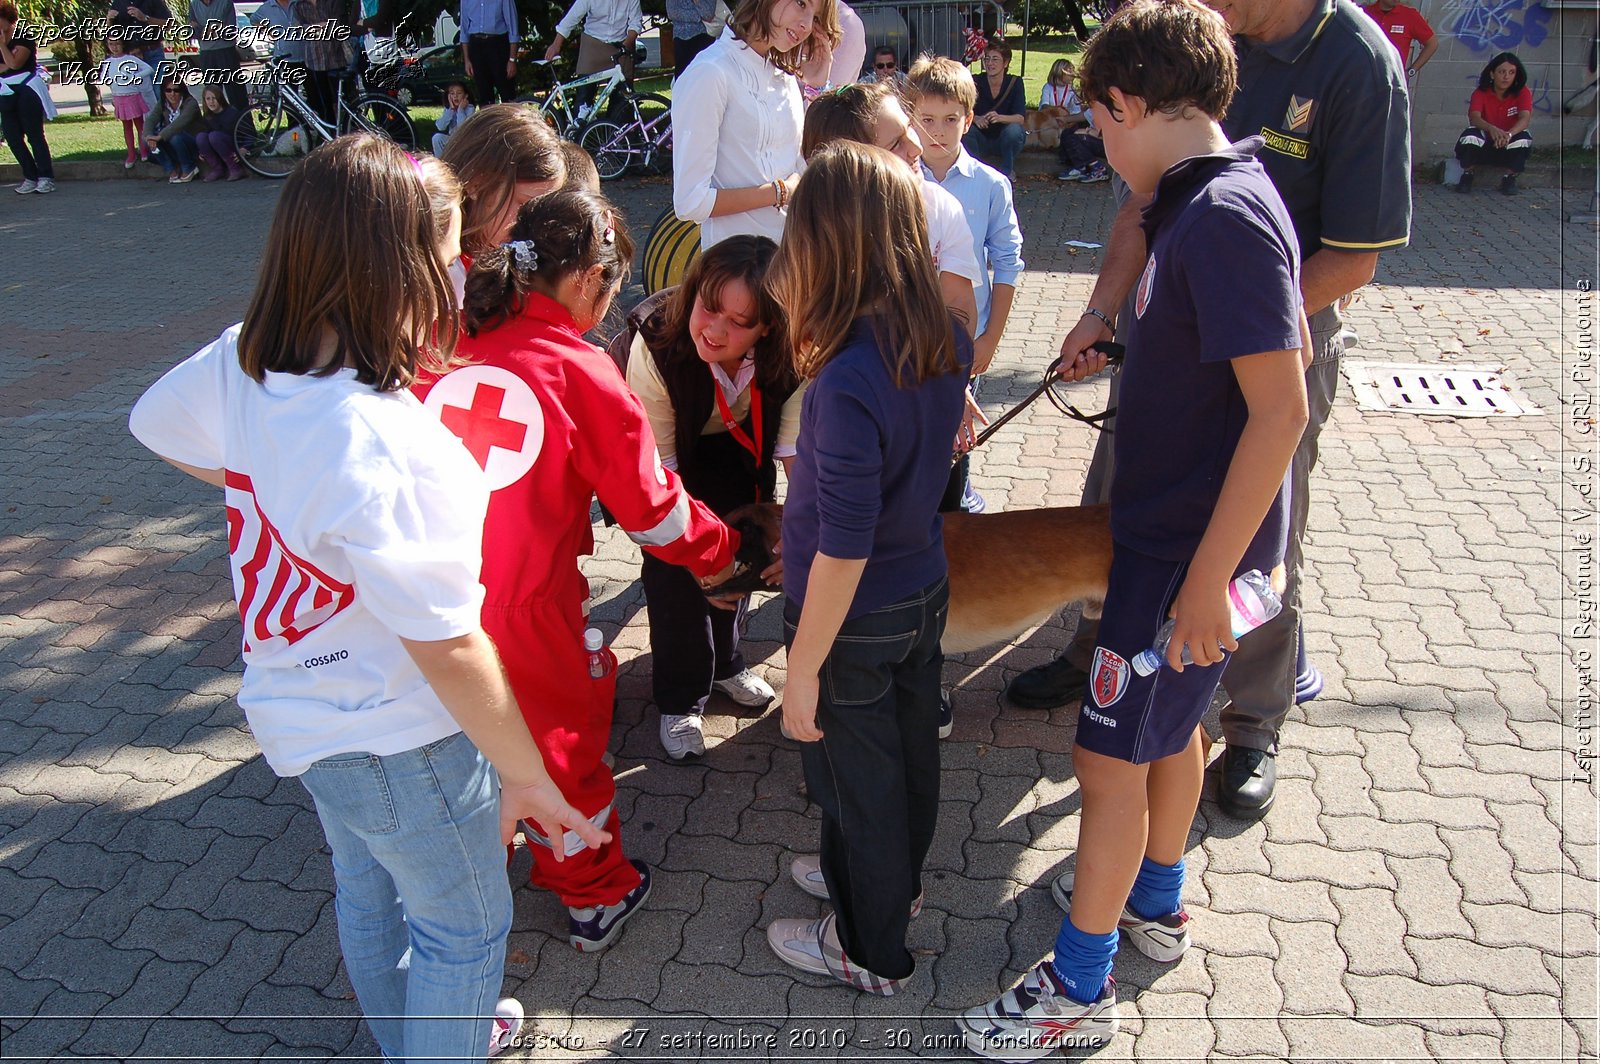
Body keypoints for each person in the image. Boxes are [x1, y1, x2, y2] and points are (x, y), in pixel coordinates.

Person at [128, 134, 605, 1064]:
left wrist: (262, 486)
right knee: (461, 933)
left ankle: (418, 1040)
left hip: (303, 719)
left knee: (369, 893)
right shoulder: (383, 442)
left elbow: (153, 421)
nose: (464, 268)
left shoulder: (246, 361)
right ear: (400, 269)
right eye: (449, 248)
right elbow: (451, 646)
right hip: (404, 738)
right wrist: (527, 774)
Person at [959, 5, 1310, 1054]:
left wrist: (1206, 578)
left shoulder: (1226, 218)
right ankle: (1156, 899)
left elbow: (1280, 410)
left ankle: (1076, 987)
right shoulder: (1197, 196)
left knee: (1106, 762)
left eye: (1100, 125)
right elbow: (1202, 350)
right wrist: (1112, 334)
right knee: (1169, 735)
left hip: (1184, 557)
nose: (1100, 147)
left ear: (1124, 105)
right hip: (1168, 539)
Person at [1005, 0, 1410, 823]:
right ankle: (1114, 654)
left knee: (1246, 556)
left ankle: (1252, 722)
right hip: (1190, 324)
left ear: (1129, 108)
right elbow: (1148, 207)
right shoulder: (1199, 60)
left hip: (1260, 334)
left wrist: (1231, 321)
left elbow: (1351, 260)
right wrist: (1108, 316)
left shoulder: (1357, 65)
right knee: (1121, 522)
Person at [414, 189, 741, 952]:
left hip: (417, 597)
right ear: (592, 279)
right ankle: (594, 895)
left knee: (449, 748)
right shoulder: (579, 369)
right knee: (557, 753)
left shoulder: (446, 335)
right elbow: (655, 512)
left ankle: (465, 886)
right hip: (523, 609)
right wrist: (722, 553)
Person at [762, 140, 969, 995]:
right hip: (921, 589)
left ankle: (869, 946)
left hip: (852, 616)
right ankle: (892, 888)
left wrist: (800, 670)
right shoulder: (942, 333)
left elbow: (842, 547)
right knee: (909, 757)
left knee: (862, 782)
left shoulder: (847, 378)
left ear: (827, 248)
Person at [623, 235, 798, 760]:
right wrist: (695, 556)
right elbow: (661, 479)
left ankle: (726, 662)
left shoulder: (792, 350)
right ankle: (680, 697)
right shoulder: (654, 345)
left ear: (768, 326)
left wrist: (799, 533)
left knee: (746, 552)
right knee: (676, 573)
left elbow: (797, 461)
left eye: (740, 323)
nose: (716, 330)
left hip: (741, 448)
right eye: (708, 307)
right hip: (666, 457)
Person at [908, 56, 1025, 517]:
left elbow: (1008, 263)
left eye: (951, 119)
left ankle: (955, 506)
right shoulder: (896, 181)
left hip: (962, 339)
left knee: (955, 433)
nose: (938, 132)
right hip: (907, 335)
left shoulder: (991, 185)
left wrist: (990, 337)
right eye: (926, 119)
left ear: (969, 119)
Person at [671, 0, 841, 249]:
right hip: (737, 269)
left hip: (790, 260)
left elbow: (802, 166)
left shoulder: (784, 77)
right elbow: (690, 202)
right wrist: (779, 192)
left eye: (816, 18)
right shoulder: (710, 72)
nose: (805, 25)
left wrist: (816, 87)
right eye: (801, 3)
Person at [440, 104, 567, 260]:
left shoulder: (503, 257)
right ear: (476, 183)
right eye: (526, 207)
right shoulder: (442, 270)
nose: (539, 227)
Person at [1455, 51, 1533, 196]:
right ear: (1492, 74)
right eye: (1502, 72)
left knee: (1524, 138)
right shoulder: (1481, 92)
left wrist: (1508, 134)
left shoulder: (1523, 92)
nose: (1506, 77)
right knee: (1469, 135)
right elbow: (1474, 117)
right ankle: (1468, 175)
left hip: (1508, 143)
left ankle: (1509, 178)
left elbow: (1525, 119)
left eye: (1511, 72)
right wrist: (1492, 129)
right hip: (1486, 143)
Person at [0, 1, 56, 195]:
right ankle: (30, 176)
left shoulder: (23, 35)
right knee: (12, 136)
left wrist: (2, 48)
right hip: (5, 90)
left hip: (27, 90)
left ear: (8, 19)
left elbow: (15, 64)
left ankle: (46, 176)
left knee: (34, 134)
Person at [963, 38, 1025, 179]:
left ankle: (1007, 171)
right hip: (981, 138)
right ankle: (976, 171)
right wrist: (976, 118)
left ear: (1006, 63)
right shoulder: (975, 81)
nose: (990, 63)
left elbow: (1020, 118)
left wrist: (1000, 118)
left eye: (995, 59)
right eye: (987, 59)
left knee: (1014, 131)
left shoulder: (1015, 83)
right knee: (966, 129)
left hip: (1004, 139)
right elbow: (962, 110)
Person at [294, 0, 358, 124]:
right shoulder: (298, 5)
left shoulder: (331, 2)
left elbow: (336, 26)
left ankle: (348, 131)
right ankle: (330, 135)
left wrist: (312, 28)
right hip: (314, 61)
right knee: (324, 104)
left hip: (336, 58)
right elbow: (299, 30)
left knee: (343, 101)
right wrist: (321, 25)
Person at [98, 33, 156, 169]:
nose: (115, 47)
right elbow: (103, 78)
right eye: (111, 44)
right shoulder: (107, 62)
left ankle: (143, 150)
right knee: (126, 127)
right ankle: (131, 153)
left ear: (123, 44)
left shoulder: (130, 59)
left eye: (117, 43)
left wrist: (135, 77)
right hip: (119, 97)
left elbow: (149, 69)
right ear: (107, 45)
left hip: (133, 95)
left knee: (140, 125)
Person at [546, 0, 644, 80]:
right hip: (592, 46)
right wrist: (556, 45)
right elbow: (571, 18)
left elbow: (635, 23)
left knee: (623, 97)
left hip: (620, 45)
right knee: (584, 96)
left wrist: (626, 44)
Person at [188, 0, 249, 113]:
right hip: (207, 54)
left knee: (237, 94)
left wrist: (203, 30)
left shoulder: (225, 2)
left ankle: (244, 127)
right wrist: (213, 28)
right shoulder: (193, 4)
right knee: (212, 96)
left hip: (226, 52)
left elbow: (229, 30)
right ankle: (217, 127)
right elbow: (192, 32)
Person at [458, 0, 519, 105]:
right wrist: (467, 60)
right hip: (476, 45)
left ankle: (510, 120)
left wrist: (512, 59)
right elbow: (464, 29)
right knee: (484, 95)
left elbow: (513, 28)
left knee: (507, 92)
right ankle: (488, 120)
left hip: (498, 44)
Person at [1361, 0, 1437, 83]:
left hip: (1394, 82)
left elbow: (1432, 43)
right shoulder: (1363, 14)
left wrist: (1411, 71)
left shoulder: (1409, 15)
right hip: (1364, 80)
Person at [144, 78, 203, 183]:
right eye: (168, 90)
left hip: (192, 143)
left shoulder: (191, 104)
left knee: (174, 136)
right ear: (163, 91)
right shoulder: (163, 103)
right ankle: (171, 171)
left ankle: (189, 168)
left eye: (176, 90)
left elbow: (178, 125)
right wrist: (148, 136)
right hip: (173, 144)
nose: (172, 94)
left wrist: (159, 136)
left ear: (182, 90)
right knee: (146, 140)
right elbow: (150, 120)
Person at [194, 84, 247, 180]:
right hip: (217, 146)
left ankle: (235, 168)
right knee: (200, 137)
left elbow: (249, 134)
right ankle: (217, 169)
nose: (211, 102)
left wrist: (244, 148)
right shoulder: (207, 116)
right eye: (208, 99)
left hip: (233, 146)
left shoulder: (232, 112)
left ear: (220, 98)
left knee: (214, 136)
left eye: (214, 98)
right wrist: (202, 151)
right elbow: (206, 134)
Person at [108, 0, 171, 73]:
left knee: (155, 83)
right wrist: (109, 20)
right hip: (129, 56)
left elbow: (170, 25)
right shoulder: (118, 2)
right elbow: (112, 32)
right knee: (130, 84)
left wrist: (145, 18)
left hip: (152, 53)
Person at [251, 0, 308, 75]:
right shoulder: (266, 7)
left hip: (307, 57)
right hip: (283, 58)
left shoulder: (298, 3)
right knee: (287, 86)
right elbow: (253, 20)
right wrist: (268, 31)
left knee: (312, 86)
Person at [666, 0, 720, 78]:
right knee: (683, 79)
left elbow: (708, 14)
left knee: (704, 77)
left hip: (704, 37)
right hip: (682, 39)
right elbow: (672, 12)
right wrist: (699, 18)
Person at [432, 80, 476, 156]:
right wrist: (451, 109)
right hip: (452, 139)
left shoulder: (470, 108)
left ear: (465, 95)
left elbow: (462, 128)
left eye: (459, 93)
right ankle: (440, 162)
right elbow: (440, 127)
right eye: (452, 93)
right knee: (437, 137)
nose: (455, 96)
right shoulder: (449, 109)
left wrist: (460, 110)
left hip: (465, 141)